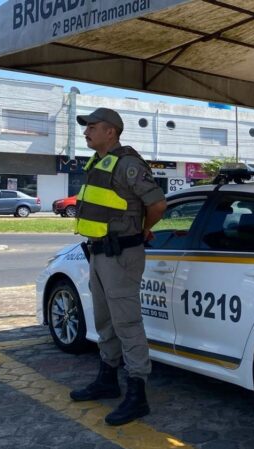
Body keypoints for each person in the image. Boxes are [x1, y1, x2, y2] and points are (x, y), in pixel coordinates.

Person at [69, 107, 167, 426]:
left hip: (121, 254)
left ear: (111, 131)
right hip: (99, 253)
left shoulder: (128, 164)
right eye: (87, 128)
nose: (86, 132)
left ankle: (137, 394)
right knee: (105, 320)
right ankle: (108, 379)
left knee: (127, 323)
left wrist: (140, 229)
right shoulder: (99, 161)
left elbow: (157, 204)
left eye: (92, 127)